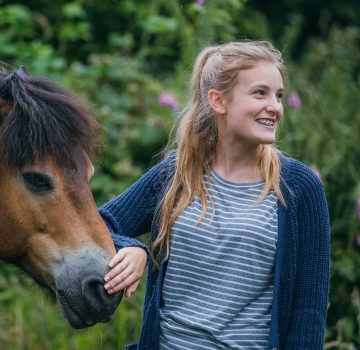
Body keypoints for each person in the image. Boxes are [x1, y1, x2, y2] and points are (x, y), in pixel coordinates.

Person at [99, 41, 330, 349]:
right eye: (260, 93)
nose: (275, 107)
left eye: (278, 96)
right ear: (218, 101)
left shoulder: (299, 187)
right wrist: (134, 248)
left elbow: (308, 315)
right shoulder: (176, 174)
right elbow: (100, 222)